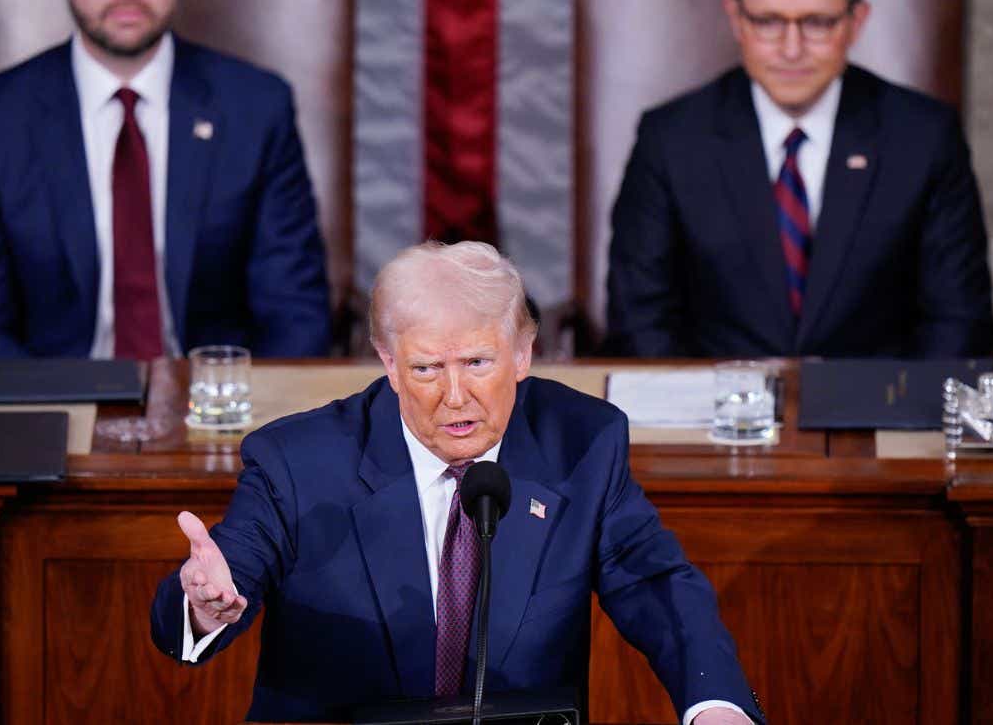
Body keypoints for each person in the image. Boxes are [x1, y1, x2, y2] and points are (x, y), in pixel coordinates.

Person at [151, 242, 761, 724]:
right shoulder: (298, 461)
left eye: (477, 362)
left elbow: (657, 585)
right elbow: (229, 569)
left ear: (522, 353)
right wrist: (200, 608)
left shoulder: (582, 444)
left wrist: (716, 706)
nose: (454, 395)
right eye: (425, 368)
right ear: (389, 363)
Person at [0, 0, 330, 359]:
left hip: (215, 396)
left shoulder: (256, 107)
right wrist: (48, 399)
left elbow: (296, 312)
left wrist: (243, 401)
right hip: (51, 396)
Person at [605, 0, 993, 359]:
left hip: (878, 398)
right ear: (736, 19)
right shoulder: (671, 139)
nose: (791, 49)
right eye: (768, 22)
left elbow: (958, 321)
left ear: (856, 21)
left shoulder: (923, 136)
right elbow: (640, 321)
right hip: (713, 399)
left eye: (817, 23)